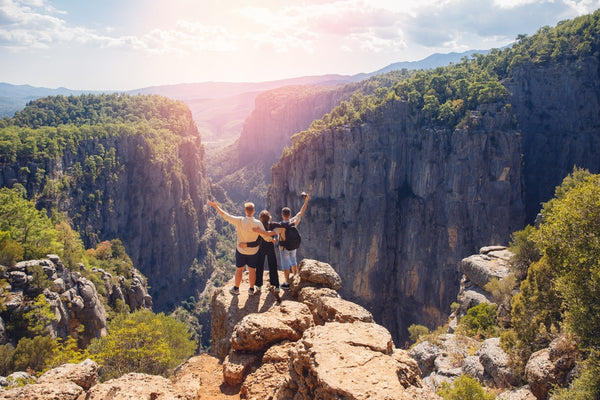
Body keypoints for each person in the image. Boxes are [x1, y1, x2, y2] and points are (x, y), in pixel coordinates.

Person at [207, 200, 272, 296]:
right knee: (252, 270)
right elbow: (266, 237)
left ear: (246, 211)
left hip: (241, 251)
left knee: (239, 269)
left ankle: (236, 288)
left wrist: (216, 207)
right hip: (253, 252)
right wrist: (273, 238)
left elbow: (226, 216)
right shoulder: (258, 224)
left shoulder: (239, 220)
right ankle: (251, 289)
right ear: (253, 211)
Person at [242, 210, 282, 302]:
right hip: (270, 247)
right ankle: (276, 286)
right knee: (273, 265)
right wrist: (273, 236)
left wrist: (247, 244)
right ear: (269, 217)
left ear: (260, 218)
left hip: (261, 247)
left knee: (260, 266)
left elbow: (256, 241)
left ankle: (259, 286)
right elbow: (280, 225)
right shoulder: (272, 224)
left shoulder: (259, 226)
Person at [271, 193, 310, 288]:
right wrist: (306, 201)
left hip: (283, 248)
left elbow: (271, 233)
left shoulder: (280, 227)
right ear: (290, 214)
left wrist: (258, 231)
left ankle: (287, 283)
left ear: (282, 215)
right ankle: (295, 278)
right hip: (293, 246)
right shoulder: (293, 222)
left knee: (285, 265)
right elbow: (301, 212)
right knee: (293, 261)